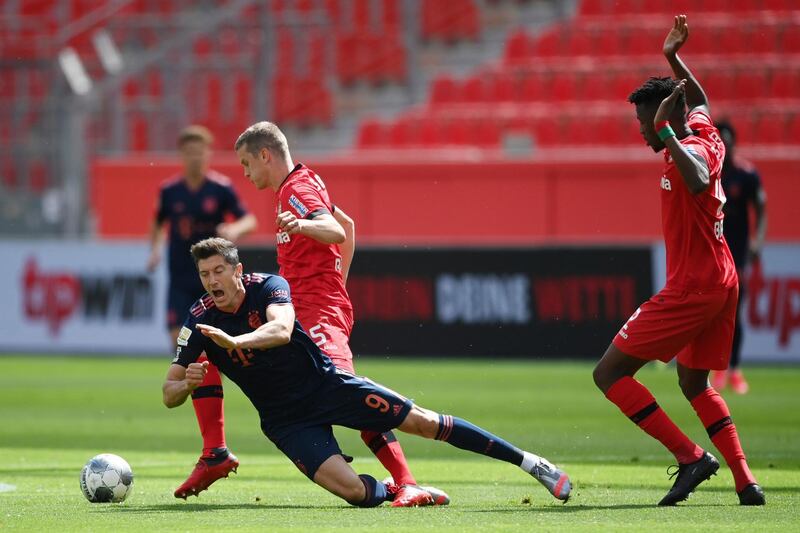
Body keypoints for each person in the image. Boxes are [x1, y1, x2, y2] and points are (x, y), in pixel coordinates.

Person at [162, 237, 572, 508]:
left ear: (237, 270)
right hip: (286, 422)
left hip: (327, 386)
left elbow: (282, 329)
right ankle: (404, 489)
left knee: (425, 422)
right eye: (204, 274)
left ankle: (530, 462)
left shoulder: (268, 285)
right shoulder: (199, 319)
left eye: (218, 271)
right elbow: (168, 390)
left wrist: (237, 343)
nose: (211, 281)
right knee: (355, 493)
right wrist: (186, 385)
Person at [592, 16, 764, 506]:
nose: (642, 131)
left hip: (692, 287)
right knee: (693, 382)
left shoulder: (687, 148)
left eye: (644, 122)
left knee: (608, 374)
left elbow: (694, 177)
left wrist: (666, 131)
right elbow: (702, 101)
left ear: (664, 117)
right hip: (721, 280)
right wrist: (673, 59)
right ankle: (746, 480)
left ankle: (691, 457)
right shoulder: (705, 131)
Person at [228, 120, 445, 507]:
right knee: (323, 392)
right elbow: (348, 223)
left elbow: (335, 230)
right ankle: (394, 479)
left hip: (318, 313)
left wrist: (306, 231)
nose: (245, 173)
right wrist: (336, 282)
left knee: (346, 389)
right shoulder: (300, 183)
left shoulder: (296, 190)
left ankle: (407, 481)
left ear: (266, 155)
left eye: (247, 163)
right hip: (309, 310)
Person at [147, 125, 257, 498]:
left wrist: (233, 229)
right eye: (189, 151)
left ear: (207, 154)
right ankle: (213, 438)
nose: (195, 157)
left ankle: (215, 446)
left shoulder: (221, 188)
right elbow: (159, 222)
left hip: (216, 284)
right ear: (182, 155)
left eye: (201, 151)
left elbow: (248, 218)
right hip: (182, 282)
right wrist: (155, 250)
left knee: (207, 351)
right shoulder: (170, 191)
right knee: (182, 351)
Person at [710, 120, 768, 394]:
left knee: (734, 311)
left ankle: (733, 370)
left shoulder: (746, 175)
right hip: (713, 251)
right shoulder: (708, 172)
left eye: (729, 140)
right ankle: (717, 367)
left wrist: (757, 240)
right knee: (713, 311)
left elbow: (761, 207)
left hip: (738, 252)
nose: (726, 144)